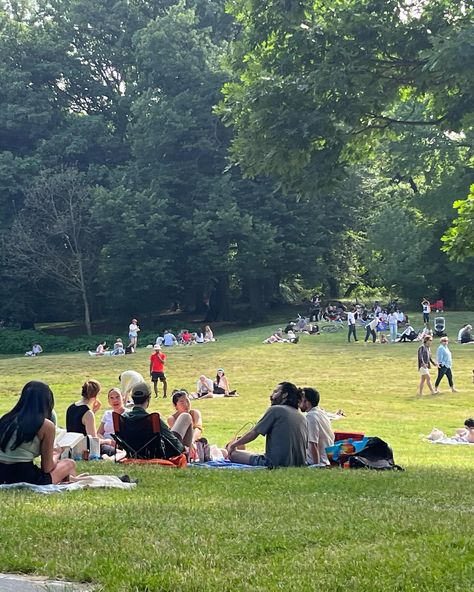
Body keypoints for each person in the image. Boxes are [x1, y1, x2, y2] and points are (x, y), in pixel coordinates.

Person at [0, 381, 76, 484]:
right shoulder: (45, 425)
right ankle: (71, 482)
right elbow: (47, 468)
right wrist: (56, 453)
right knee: (69, 464)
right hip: (25, 477)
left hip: (2, 474)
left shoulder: (5, 420)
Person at [226, 382, 308, 467]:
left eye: (275, 392)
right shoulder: (302, 417)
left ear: (284, 395)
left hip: (274, 463)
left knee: (233, 454)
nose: (271, 396)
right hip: (299, 464)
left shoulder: (276, 410)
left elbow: (253, 433)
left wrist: (233, 445)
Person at [122, 383, 189, 458]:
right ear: (149, 399)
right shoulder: (152, 419)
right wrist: (183, 449)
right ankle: (188, 458)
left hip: (134, 454)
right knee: (186, 417)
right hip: (157, 455)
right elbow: (172, 440)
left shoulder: (122, 418)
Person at [66, 379, 115, 455]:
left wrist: (93, 411)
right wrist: (107, 441)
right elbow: (93, 440)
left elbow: (79, 425)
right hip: (84, 450)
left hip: (72, 447)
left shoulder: (71, 407)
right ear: (96, 395)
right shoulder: (88, 413)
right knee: (120, 453)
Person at [299, 387, 334, 466]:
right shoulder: (322, 413)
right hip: (327, 459)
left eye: (300, 400)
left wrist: (316, 465)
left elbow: (313, 444)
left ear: (306, 402)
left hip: (317, 461)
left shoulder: (311, 417)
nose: (298, 404)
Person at [97, 387, 127, 460]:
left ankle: (110, 458)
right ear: (109, 401)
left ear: (123, 398)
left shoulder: (128, 414)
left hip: (121, 445)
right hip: (106, 443)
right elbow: (98, 433)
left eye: (117, 397)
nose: (115, 400)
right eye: (112, 398)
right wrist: (106, 441)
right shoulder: (107, 414)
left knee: (124, 452)